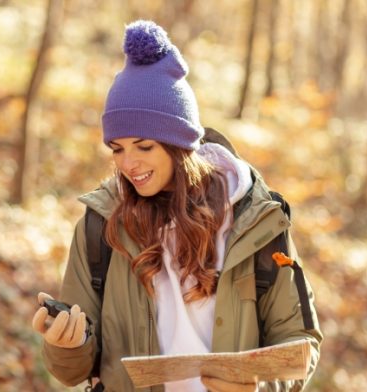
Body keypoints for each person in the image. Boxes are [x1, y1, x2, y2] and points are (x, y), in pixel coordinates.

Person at [31, 20, 322, 392]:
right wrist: (66, 344)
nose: (128, 163)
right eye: (117, 149)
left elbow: (300, 341)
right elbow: (72, 370)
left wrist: (260, 387)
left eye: (144, 146)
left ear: (179, 144)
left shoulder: (256, 221)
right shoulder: (100, 227)